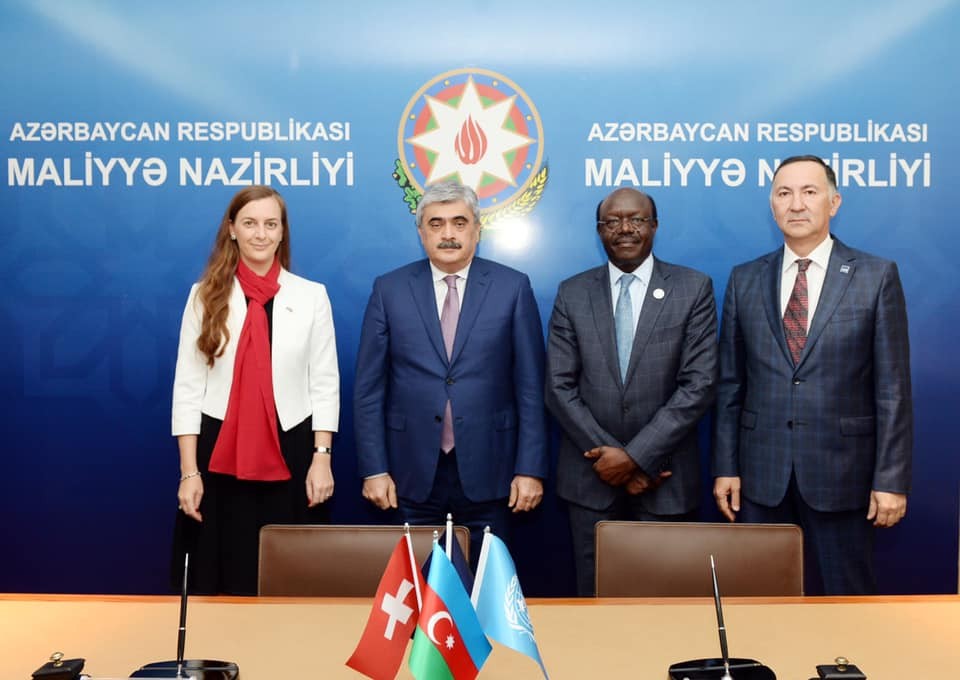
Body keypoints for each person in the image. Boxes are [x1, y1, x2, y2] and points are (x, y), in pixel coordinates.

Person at [713, 155, 912, 595]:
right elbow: (730, 384)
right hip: (761, 477)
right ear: (772, 205)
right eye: (784, 193)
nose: (796, 204)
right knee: (762, 603)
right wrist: (726, 467)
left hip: (843, 476)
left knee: (847, 601)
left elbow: (893, 389)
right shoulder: (745, 279)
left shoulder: (876, 276)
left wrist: (891, 480)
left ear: (834, 202)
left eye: (809, 192)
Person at [353, 180, 548, 558]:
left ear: (477, 229)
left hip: (492, 470)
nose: (448, 234)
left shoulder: (512, 287)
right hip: (409, 473)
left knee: (485, 586)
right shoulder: (389, 289)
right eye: (436, 223)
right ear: (421, 232)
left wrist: (530, 469)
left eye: (459, 223)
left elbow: (530, 387)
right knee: (416, 585)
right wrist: (374, 469)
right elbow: (368, 389)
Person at [545, 187, 718, 596]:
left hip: (665, 479)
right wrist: (611, 461)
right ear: (599, 230)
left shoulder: (692, 288)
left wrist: (637, 458)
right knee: (594, 599)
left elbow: (699, 383)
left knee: (664, 603)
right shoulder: (573, 292)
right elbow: (558, 386)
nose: (625, 229)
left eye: (636, 219)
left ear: (654, 226)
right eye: (613, 221)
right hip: (590, 481)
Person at [171, 185, 339, 594]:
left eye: (270, 224)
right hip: (219, 451)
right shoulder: (204, 296)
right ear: (232, 229)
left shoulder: (312, 296)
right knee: (220, 570)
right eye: (249, 223)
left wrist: (321, 459)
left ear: (282, 232)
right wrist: (189, 472)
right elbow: (188, 388)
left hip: (292, 447)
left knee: (292, 575)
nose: (260, 234)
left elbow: (324, 382)